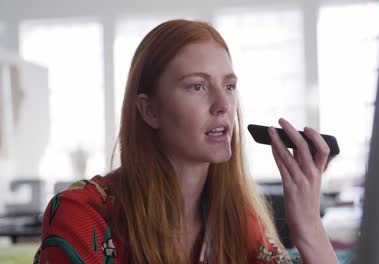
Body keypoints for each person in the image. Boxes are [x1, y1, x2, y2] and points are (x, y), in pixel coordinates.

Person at [33, 19, 338, 264]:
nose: (223, 105)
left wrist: (309, 226)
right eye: (197, 86)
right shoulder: (82, 216)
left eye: (229, 86)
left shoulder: (235, 219)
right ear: (149, 110)